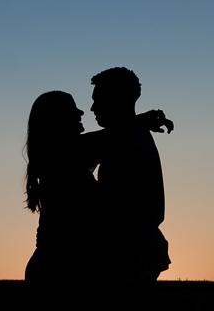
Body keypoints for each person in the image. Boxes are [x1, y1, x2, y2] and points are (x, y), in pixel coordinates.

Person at [23, 90, 172, 291]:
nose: (81, 112)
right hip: (55, 272)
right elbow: (106, 138)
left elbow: (104, 139)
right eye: (72, 109)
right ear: (56, 120)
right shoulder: (62, 155)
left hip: (58, 269)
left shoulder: (60, 154)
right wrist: (141, 120)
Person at [89, 67, 171, 284]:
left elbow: (122, 212)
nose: (92, 108)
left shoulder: (127, 144)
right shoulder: (128, 137)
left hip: (126, 264)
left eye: (98, 100)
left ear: (117, 100)